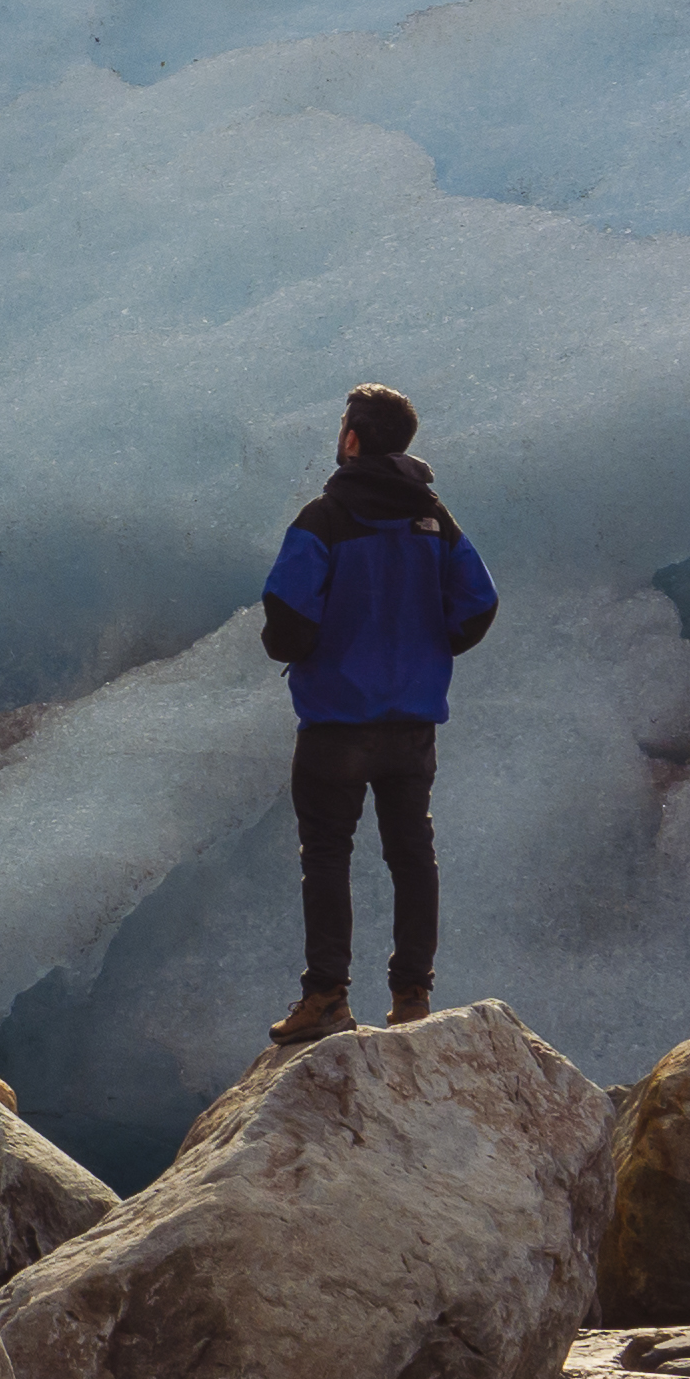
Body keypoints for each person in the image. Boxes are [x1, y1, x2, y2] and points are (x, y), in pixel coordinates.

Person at [257, 380, 496, 1044]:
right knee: (412, 854)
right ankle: (412, 998)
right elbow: (478, 602)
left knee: (328, 856)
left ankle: (327, 996)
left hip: (337, 721)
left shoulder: (325, 519)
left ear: (353, 439)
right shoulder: (435, 521)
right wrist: (429, 648)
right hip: (411, 724)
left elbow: (289, 612)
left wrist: (303, 651)